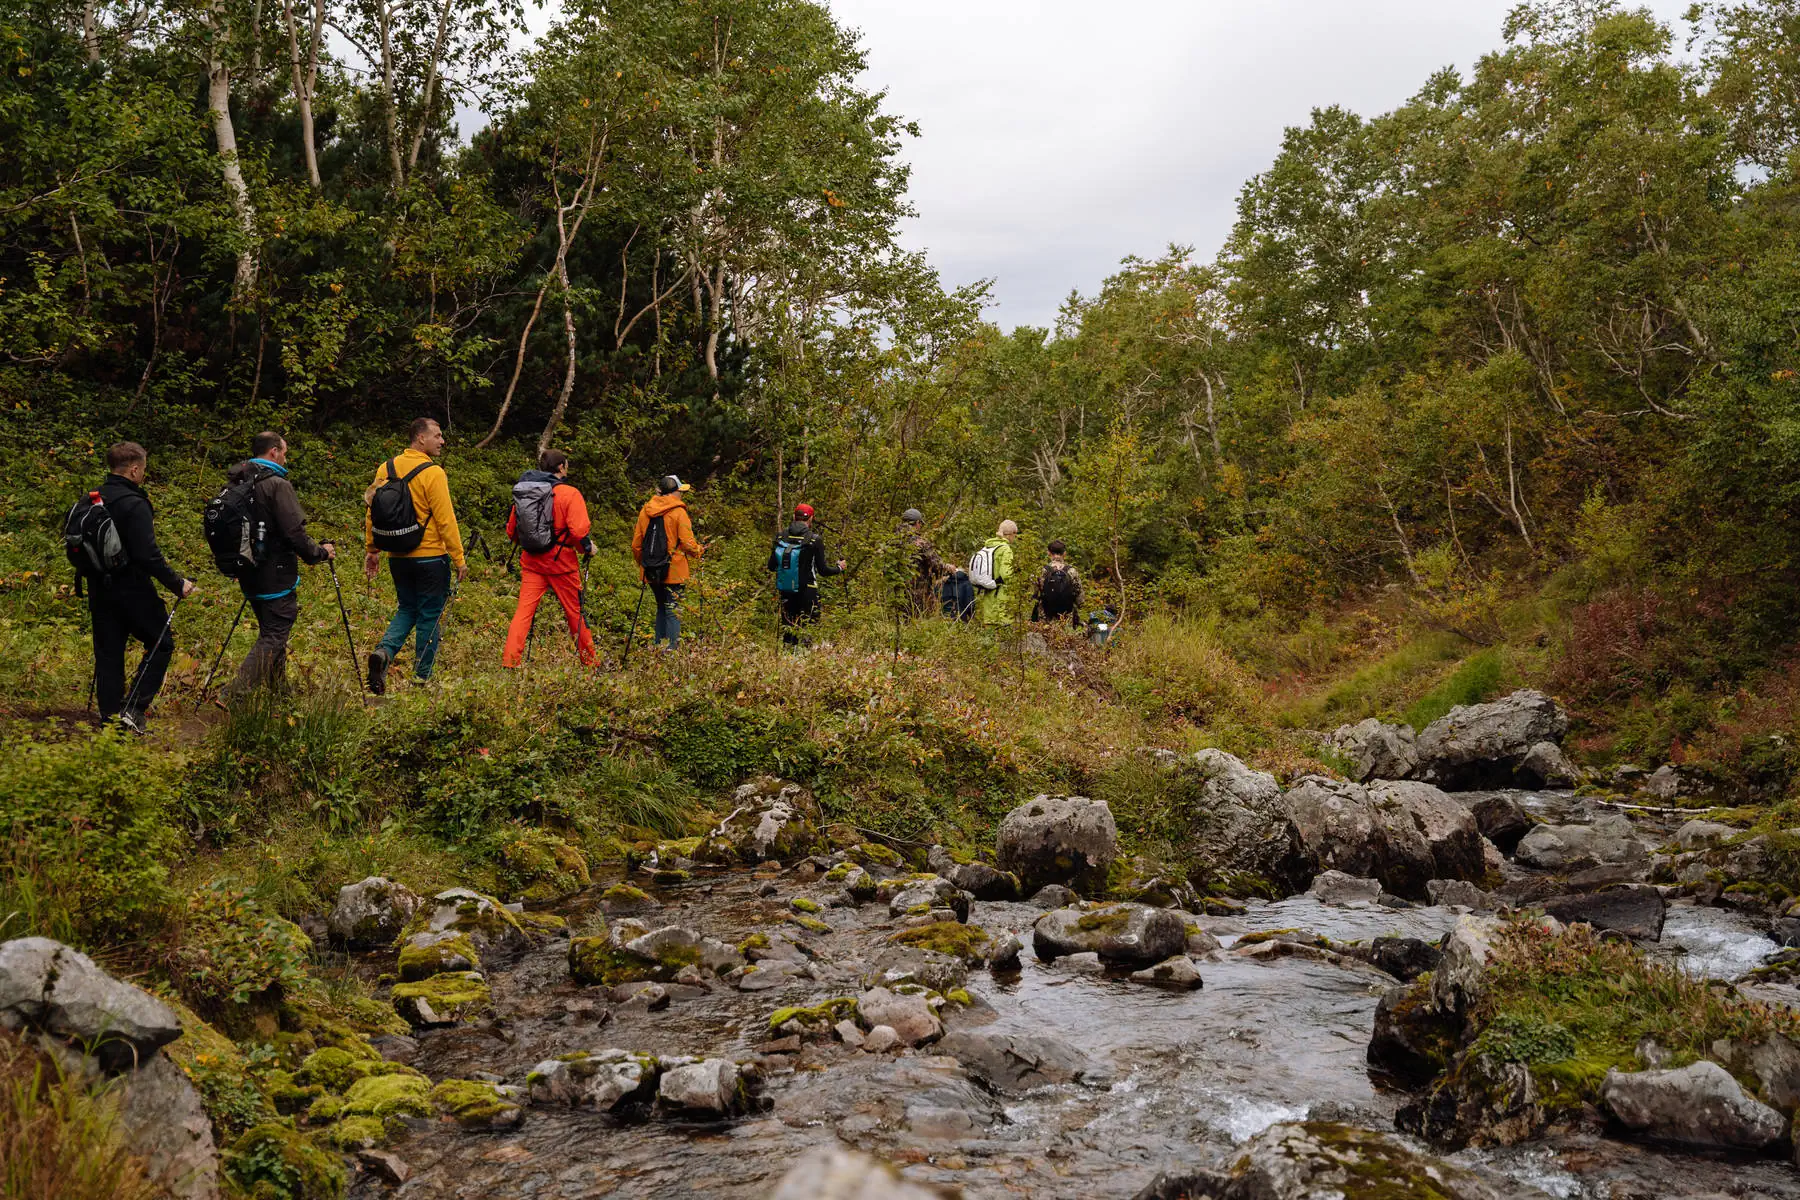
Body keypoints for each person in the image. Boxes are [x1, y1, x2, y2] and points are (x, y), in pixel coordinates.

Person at [85, 442, 197, 732]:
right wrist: (177, 584)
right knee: (162, 642)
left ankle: (109, 722)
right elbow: (148, 555)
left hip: (98, 588)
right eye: (143, 470)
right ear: (134, 470)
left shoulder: (92, 500)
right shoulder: (134, 503)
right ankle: (133, 708)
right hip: (132, 589)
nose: (143, 475)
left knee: (109, 654)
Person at [225, 432, 335, 700]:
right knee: (274, 635)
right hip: (275, 573)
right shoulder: (276, 484)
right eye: (284, 452)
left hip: (248, 570)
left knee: (272, 632)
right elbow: (294, 533)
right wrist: (320, 553)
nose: (286, 457)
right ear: (274, 452)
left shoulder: (238, 482)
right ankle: (234, 692)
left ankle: (280, 693)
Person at [362, 417, 466, 693]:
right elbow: (445, 519)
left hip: (397, 555)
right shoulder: (433, 473)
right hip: (431, 557)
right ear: (421, 438)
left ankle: (384, 653)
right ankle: (421, 679)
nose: (442, 441)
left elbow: (372, 510)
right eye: (438, 435)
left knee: (407, 608)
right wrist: (459, 558)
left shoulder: (387, 467)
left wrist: (372, 549)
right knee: (429, 616)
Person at [503, 449, 597, 667]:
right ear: (561, 467)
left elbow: (512, 531)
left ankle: (510, 661)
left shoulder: (526, 491)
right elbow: (578, 532)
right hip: (561, 564)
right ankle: (590, 663)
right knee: (575, 613)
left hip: (533, 562)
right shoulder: (570, 494)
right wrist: (587, 549)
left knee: (523, 613)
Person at [631, 475, 704, 651]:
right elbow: (687, 543)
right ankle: (671, 651)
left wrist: (645, 564)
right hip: (675, 570)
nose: (682, 495)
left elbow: (636, 545)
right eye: (680, 491)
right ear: (673, 492)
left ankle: (659, 648)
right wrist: (699, 551)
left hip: (651, 571)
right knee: (673, 610)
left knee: (661, 608)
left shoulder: (645, 511)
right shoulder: (679, 513)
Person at [767, 502, 845, 646]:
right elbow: (823, 571)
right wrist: (839, 568)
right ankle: (804, 661)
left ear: (793, 516)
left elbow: (771, 566)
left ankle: (787, 661)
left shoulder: (780, 537)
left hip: (786, 590)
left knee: (789, 628)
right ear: (811, 519)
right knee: (808, 628)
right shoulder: (814, 539)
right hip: (808, 590)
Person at [897, 508, 949, 617]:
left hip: (896, 593)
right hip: (919, 594)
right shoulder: (920, 543)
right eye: (920, 523)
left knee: (899, 623)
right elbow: (937, 566)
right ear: (917, 523)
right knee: (921, 621)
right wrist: (949, 568)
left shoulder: (892, 541)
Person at [973, 519, 1018, 626]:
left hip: (989, 592)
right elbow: (1006, 574)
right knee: (1004, 627)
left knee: (989, 625)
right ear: (1011, 534)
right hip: (1002, 594)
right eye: (1015, 535)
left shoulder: (988, 546)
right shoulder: (1005, 549)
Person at [1032, 539, 1083, 629]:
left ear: (1049, 553)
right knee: (1065, 639)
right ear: (1064, 554)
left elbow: (1034, 595)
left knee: (1046, 637)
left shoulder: (1042, 571)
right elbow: (1079, 596)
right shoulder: (1072, 571)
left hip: (1046, 613)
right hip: (1066, 614)